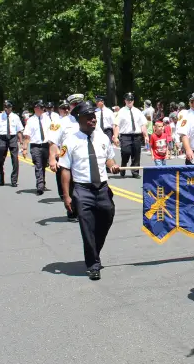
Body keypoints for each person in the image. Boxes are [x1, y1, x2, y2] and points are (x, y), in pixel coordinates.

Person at [59, 101, 122, 280]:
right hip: (82, 190)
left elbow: (109, 159)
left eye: (94, 117)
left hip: (102, 188)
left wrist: (113, 165)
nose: (93, 120)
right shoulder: (70, 141)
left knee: (108, 216)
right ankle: (93, 265)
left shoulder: (102, 138)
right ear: (79, 119)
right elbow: (65, 169)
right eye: (89, 117)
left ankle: (94, 250)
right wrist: (66, 196)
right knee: (87, 228)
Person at [49, 96, 82, 221]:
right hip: (66, 158)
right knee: (69, 185)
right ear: (70, 107)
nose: (77, 107)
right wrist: (52, 159)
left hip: (83, 158)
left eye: (79, 104)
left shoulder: (88, 119)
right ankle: (72, 210)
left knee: (83, 184)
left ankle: (82, 210)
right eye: (74, 105)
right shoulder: (61, 122)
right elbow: (53, 141)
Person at [113, 92, 148, 178]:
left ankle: (135, 172)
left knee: (136, 154)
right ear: (125, 101)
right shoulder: (121, 112)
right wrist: (116, 137)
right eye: (128, 100)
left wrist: (146, 136)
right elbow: (116, 125)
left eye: (131, 100)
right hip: (125, 136)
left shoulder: (138, 111)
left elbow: (142, 124)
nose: (130, 102)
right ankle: (123, 166)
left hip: (136, 136)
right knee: (125, 152)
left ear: (133, 101)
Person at [0, 100, 24, 187]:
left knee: (15, 160)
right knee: (0, 160)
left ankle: (14, 180)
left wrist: (21, 142)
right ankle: (1, 176)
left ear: (11, 107)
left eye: (8, 107)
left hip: (13, 138)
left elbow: (19, 130)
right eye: (5, 107)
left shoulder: (15, 117)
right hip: (2, 138)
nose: (7, 109)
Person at [22, 100, 51, 195]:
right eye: (40, 107)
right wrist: (25, 148)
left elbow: (52, 132)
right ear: (35, 108)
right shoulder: (31, 120)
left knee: (43, 165)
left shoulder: (47, 118)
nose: (42, 109)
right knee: (38, 166)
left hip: (46, 145)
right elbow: (27, 136)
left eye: (42, 107)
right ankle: (40, 186)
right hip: (35, 146)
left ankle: (42, 182)